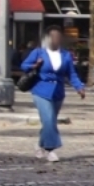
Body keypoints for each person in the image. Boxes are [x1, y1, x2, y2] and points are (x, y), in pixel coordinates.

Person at [20, 26, 85, 162]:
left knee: (49, 122)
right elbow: (24, 66)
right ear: (48, 38)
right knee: (49, 119)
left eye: (58, 36)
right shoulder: (39, 52)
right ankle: (51, 149)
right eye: (53, 36)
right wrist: (35, 66)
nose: (55, 39)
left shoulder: (66, 55)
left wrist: (79, 87)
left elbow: (71, 74)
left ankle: (39, 144)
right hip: (41, 90)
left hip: (58, 93)